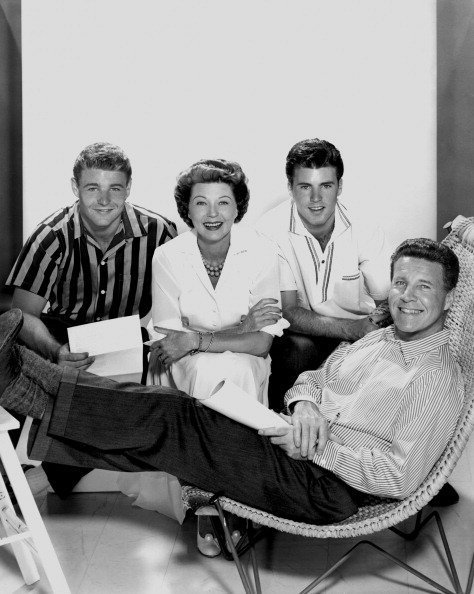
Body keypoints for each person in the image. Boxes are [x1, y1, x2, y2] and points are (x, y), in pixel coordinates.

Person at [0, 238, 464, 526]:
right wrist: (304, 407)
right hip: (298, 445)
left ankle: (33, 383)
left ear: (447, 298)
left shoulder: (437, 375)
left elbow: (399, 478)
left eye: (424, 287)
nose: (407, 297)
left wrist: (312, 447)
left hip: (330, 489)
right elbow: (316, 378)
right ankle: (29, 384)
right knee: (174, 424)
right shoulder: (379, 339)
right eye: (401, 283)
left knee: (176, 418)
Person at [116, 159, 287, 531]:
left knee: (235, 369)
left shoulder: (263, 253)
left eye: (223, 202)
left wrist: (198, 337)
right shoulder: (168, 256)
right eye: (201, 203)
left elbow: (260, 343)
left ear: (238, 207)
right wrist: (238, 327)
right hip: (181, 364)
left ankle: (229, 499)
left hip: (243, 360)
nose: (213, 214)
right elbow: (168, 340)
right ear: (187, 210)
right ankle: (215, 506)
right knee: (210, 372)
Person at [4, 142, 177, 496]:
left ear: (128, 189)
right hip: (60, 329)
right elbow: (22, 316)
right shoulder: (50, 235)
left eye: (115, 188)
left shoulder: (160, 232)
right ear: (75, 188)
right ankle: (9, 473)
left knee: (125, 399)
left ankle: (47, 479)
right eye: (92, 188)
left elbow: (175, 303)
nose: (104, 199)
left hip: (126, 332)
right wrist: (56, 352)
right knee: (15, 365)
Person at [256, 138, 391, 411]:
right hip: (304, 332)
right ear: (290, 188)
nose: (316, 199)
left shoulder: (365, 226)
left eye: (326, 186)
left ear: (340, 186)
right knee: (295, 352)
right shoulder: (268, 231)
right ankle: (282, 430)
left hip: (364, 331)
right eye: (305, 186)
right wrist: (351, 329)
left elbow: (386, 301)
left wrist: (371, 330)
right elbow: (288, 311)